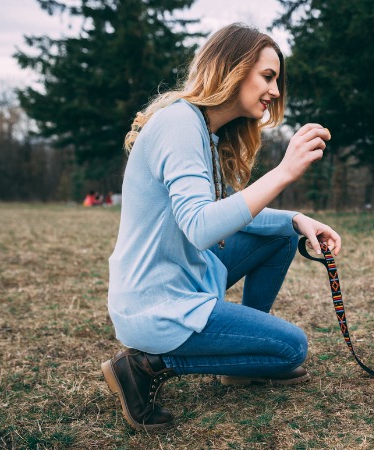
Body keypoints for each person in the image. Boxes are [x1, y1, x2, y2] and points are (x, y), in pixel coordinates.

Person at [101, 23, 341, 431]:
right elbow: (200, 228)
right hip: (157, 303)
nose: (276, 92)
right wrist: (284, 172)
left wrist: (298, 220)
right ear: (232, 69)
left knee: (282, 234)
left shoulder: (204, 131)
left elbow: (230, 211)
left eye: (276, 80)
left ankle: (241, 360)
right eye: (268, 76)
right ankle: (144, 366)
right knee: (291, 349)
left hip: (183, 279)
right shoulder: (179, 125)